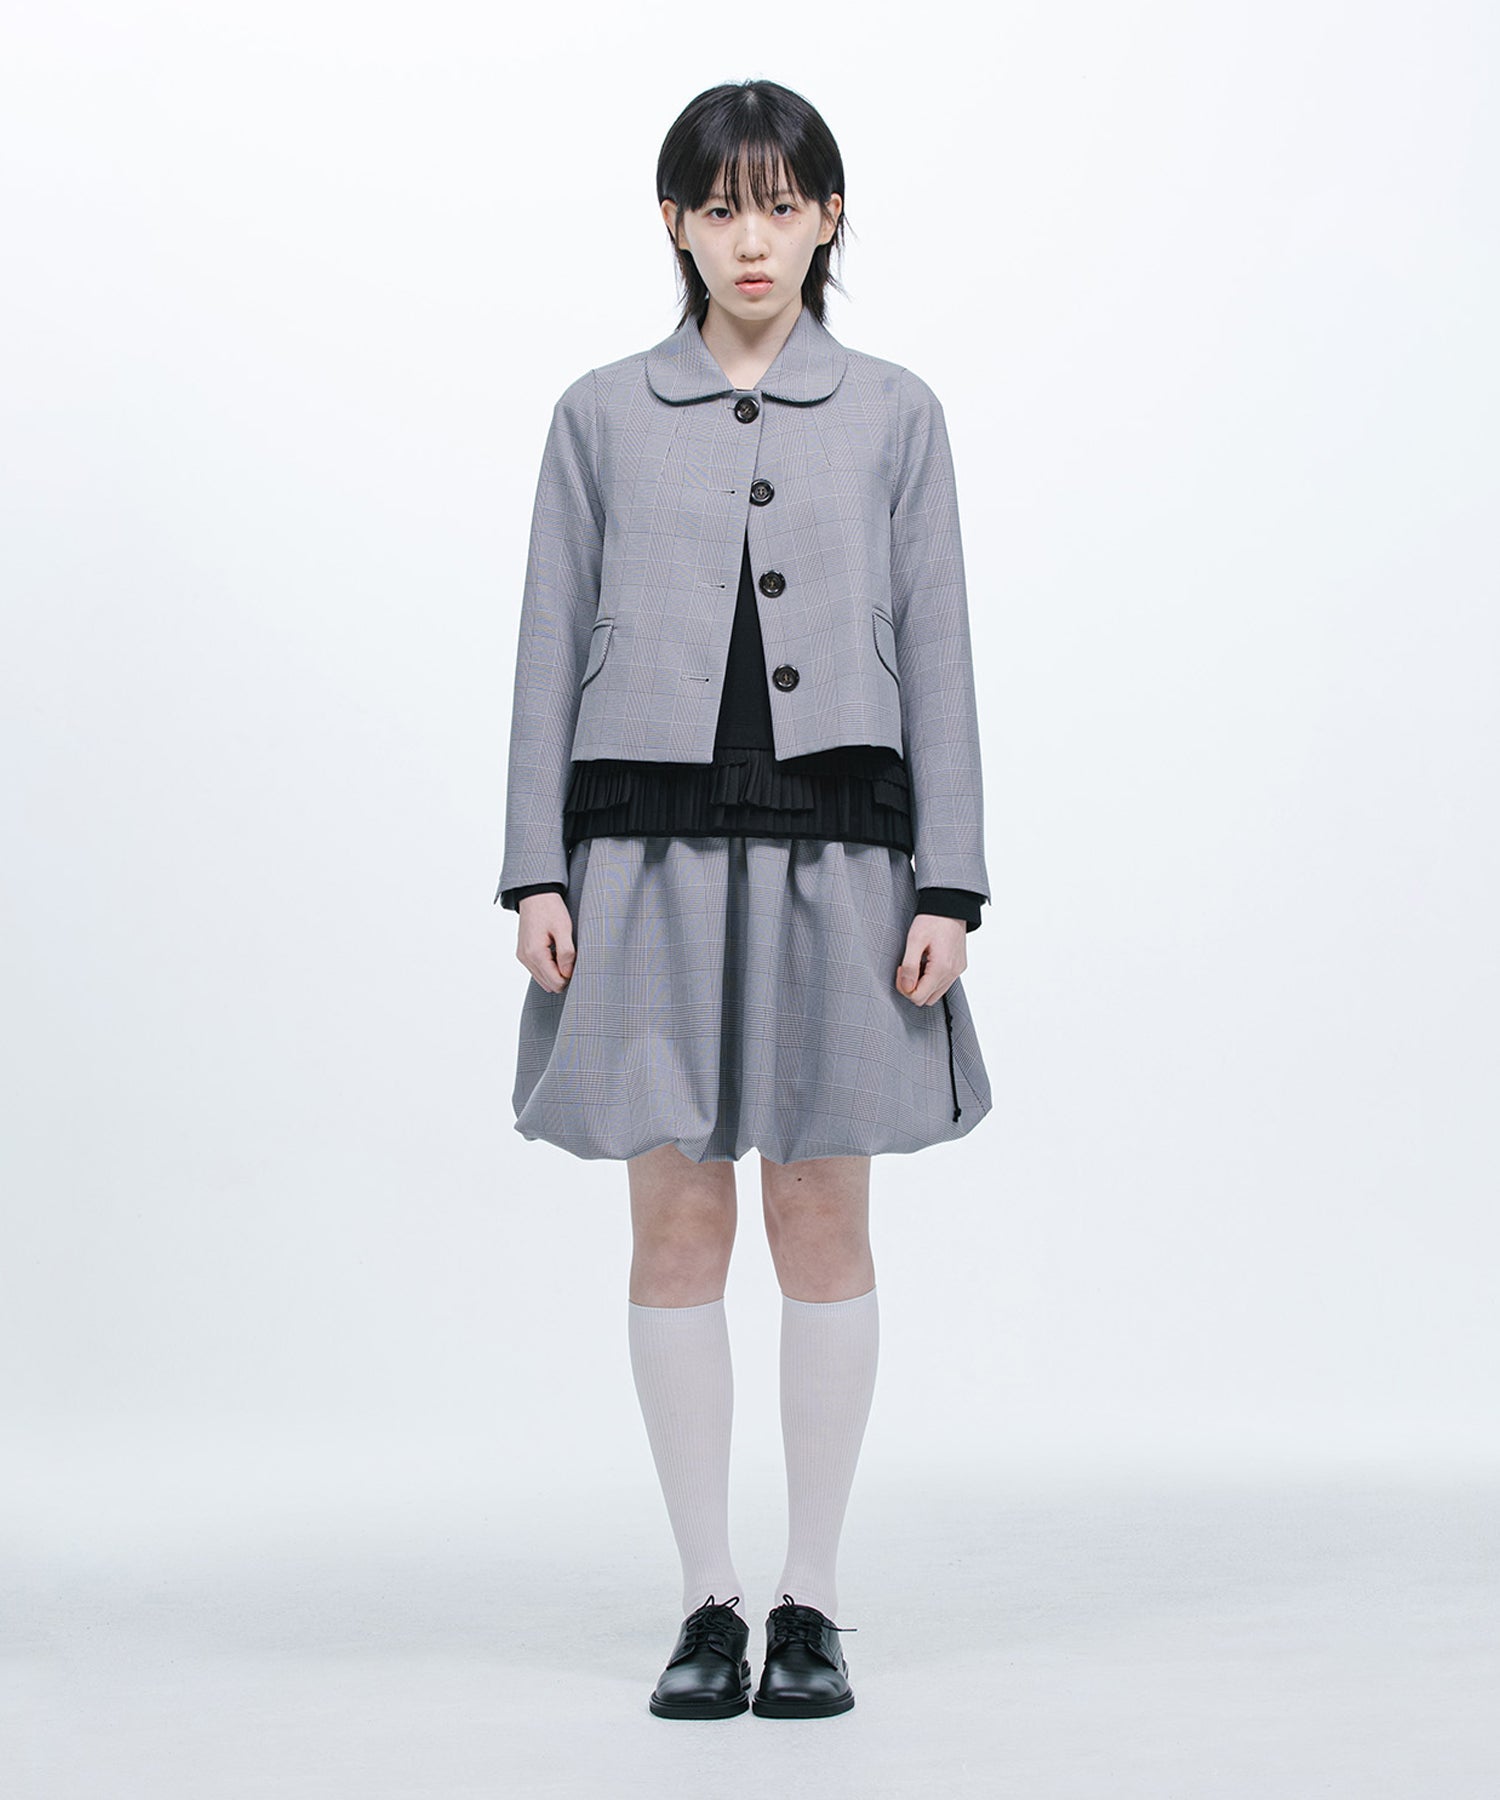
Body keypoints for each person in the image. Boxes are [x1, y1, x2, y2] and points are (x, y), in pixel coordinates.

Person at [493, 78, 993, 1720]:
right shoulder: (599, 413)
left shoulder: (898, 413)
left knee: (822, 1217)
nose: (753, 239)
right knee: (679, 1222)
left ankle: (814, 1600)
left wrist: (950, 879)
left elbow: (941, 646)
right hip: (640, 858)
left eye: (782, 206)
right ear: (676, 224)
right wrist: (537, 863)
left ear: (830, 218)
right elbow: (545, 640)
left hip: (847, 858)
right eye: (721, 209)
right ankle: (707, 1598)